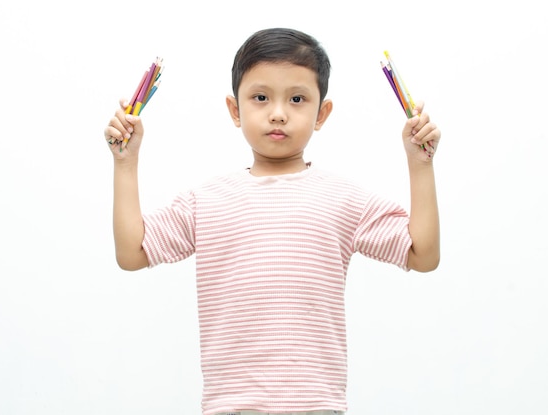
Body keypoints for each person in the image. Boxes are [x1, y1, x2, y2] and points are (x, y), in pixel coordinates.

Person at [103, 27, 440, 415]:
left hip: (315, 405)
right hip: (231, 406)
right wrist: (125, 164)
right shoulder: (207, 201)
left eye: (297, 99)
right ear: (235, 109)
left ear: (321, 113)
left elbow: (423, 254)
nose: (278, 113)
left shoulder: (343, 199)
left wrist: (420, 164)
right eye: (260, 97)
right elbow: (132, 252)